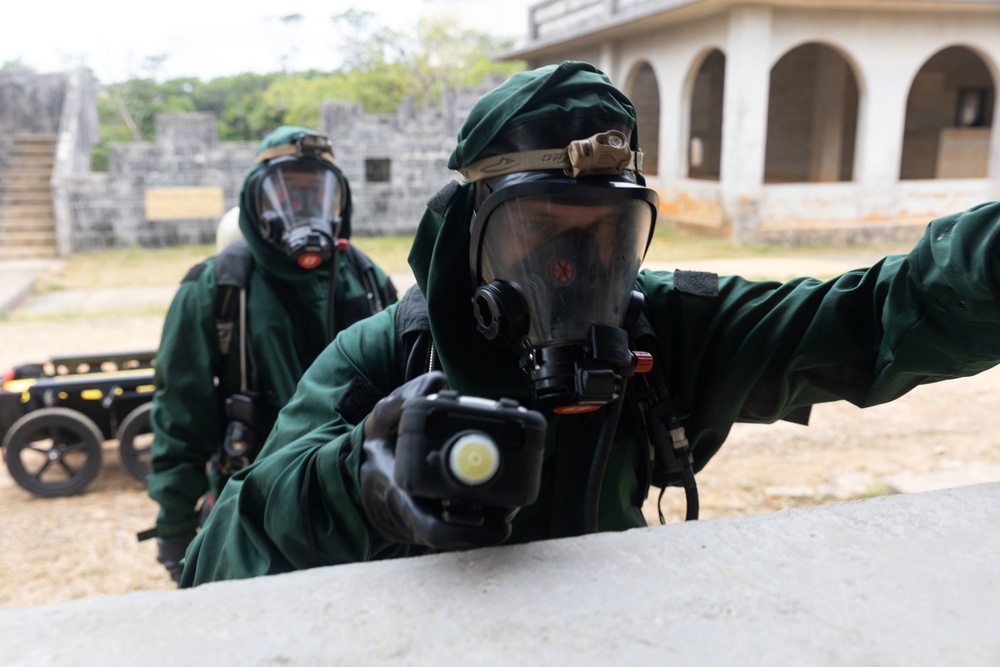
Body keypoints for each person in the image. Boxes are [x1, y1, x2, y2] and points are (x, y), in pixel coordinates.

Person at [179, 62, 1000, 586]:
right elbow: (215, 562)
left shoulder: (672, 331)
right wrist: (355, 485)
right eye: (539, 232)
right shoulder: (383, 359)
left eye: (606, 235)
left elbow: (882, 316)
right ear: (472, 232)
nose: (573, 271)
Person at [144, 125, 398, 582]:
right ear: (254, 202)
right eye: (286, 193)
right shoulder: (216, 290)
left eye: (316, 193)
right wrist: (176, 529)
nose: (302, 208)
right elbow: (180, 418)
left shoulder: (366, 280)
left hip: (355, 516)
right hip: (250, 517)